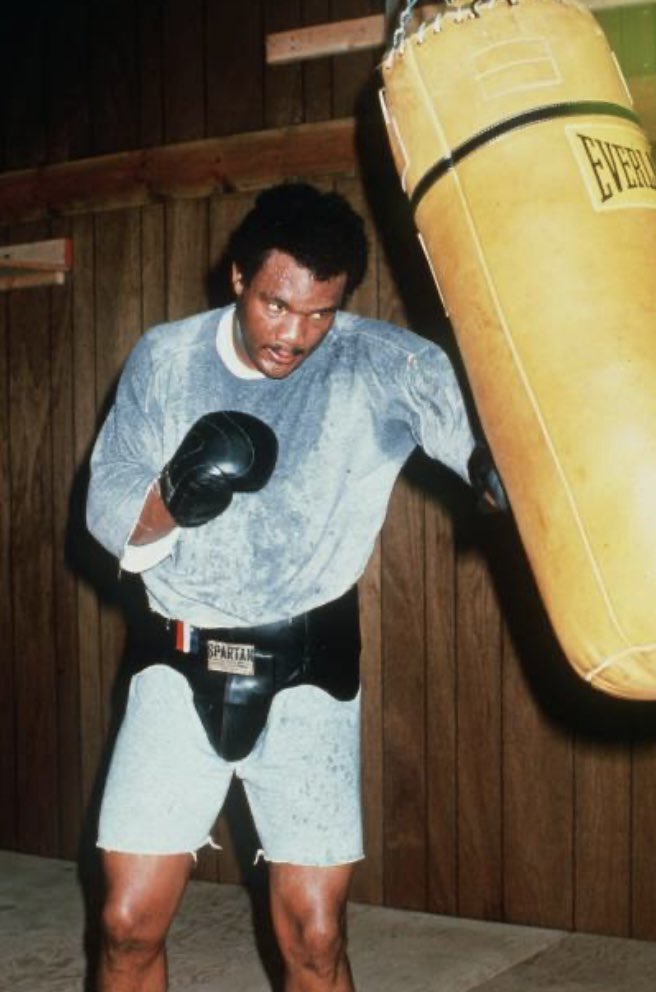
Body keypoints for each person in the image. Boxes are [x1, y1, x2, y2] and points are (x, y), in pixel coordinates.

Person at [86, 182, 502, 992]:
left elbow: (487, 460)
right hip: (176, 662)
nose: (295, 336)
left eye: (320, 313)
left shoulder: (386, 364)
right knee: (126, 923)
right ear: (238, 276)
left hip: (310, 670)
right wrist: (176, 491)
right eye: (277, 306)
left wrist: (530, 471)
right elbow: (108, 508)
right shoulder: (166, 359)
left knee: (314, 935)